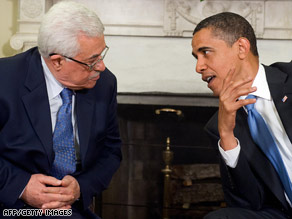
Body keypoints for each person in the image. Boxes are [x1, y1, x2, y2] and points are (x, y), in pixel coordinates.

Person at [0, 1, 122, 218]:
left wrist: (80, 187)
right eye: (92, 61)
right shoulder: (4, 80)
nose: (101, 67)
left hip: (70, 209)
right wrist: (22, 186)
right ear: (57, 61)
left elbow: (111, 151)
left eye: (102, 55)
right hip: (10, 204)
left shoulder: (104, 84)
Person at [191, 12, 292, 218]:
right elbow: (247, 203)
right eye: (196, 57)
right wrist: (227, 135)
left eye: (206, 52)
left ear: (241, 48)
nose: (198, 67)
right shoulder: (217, 126)